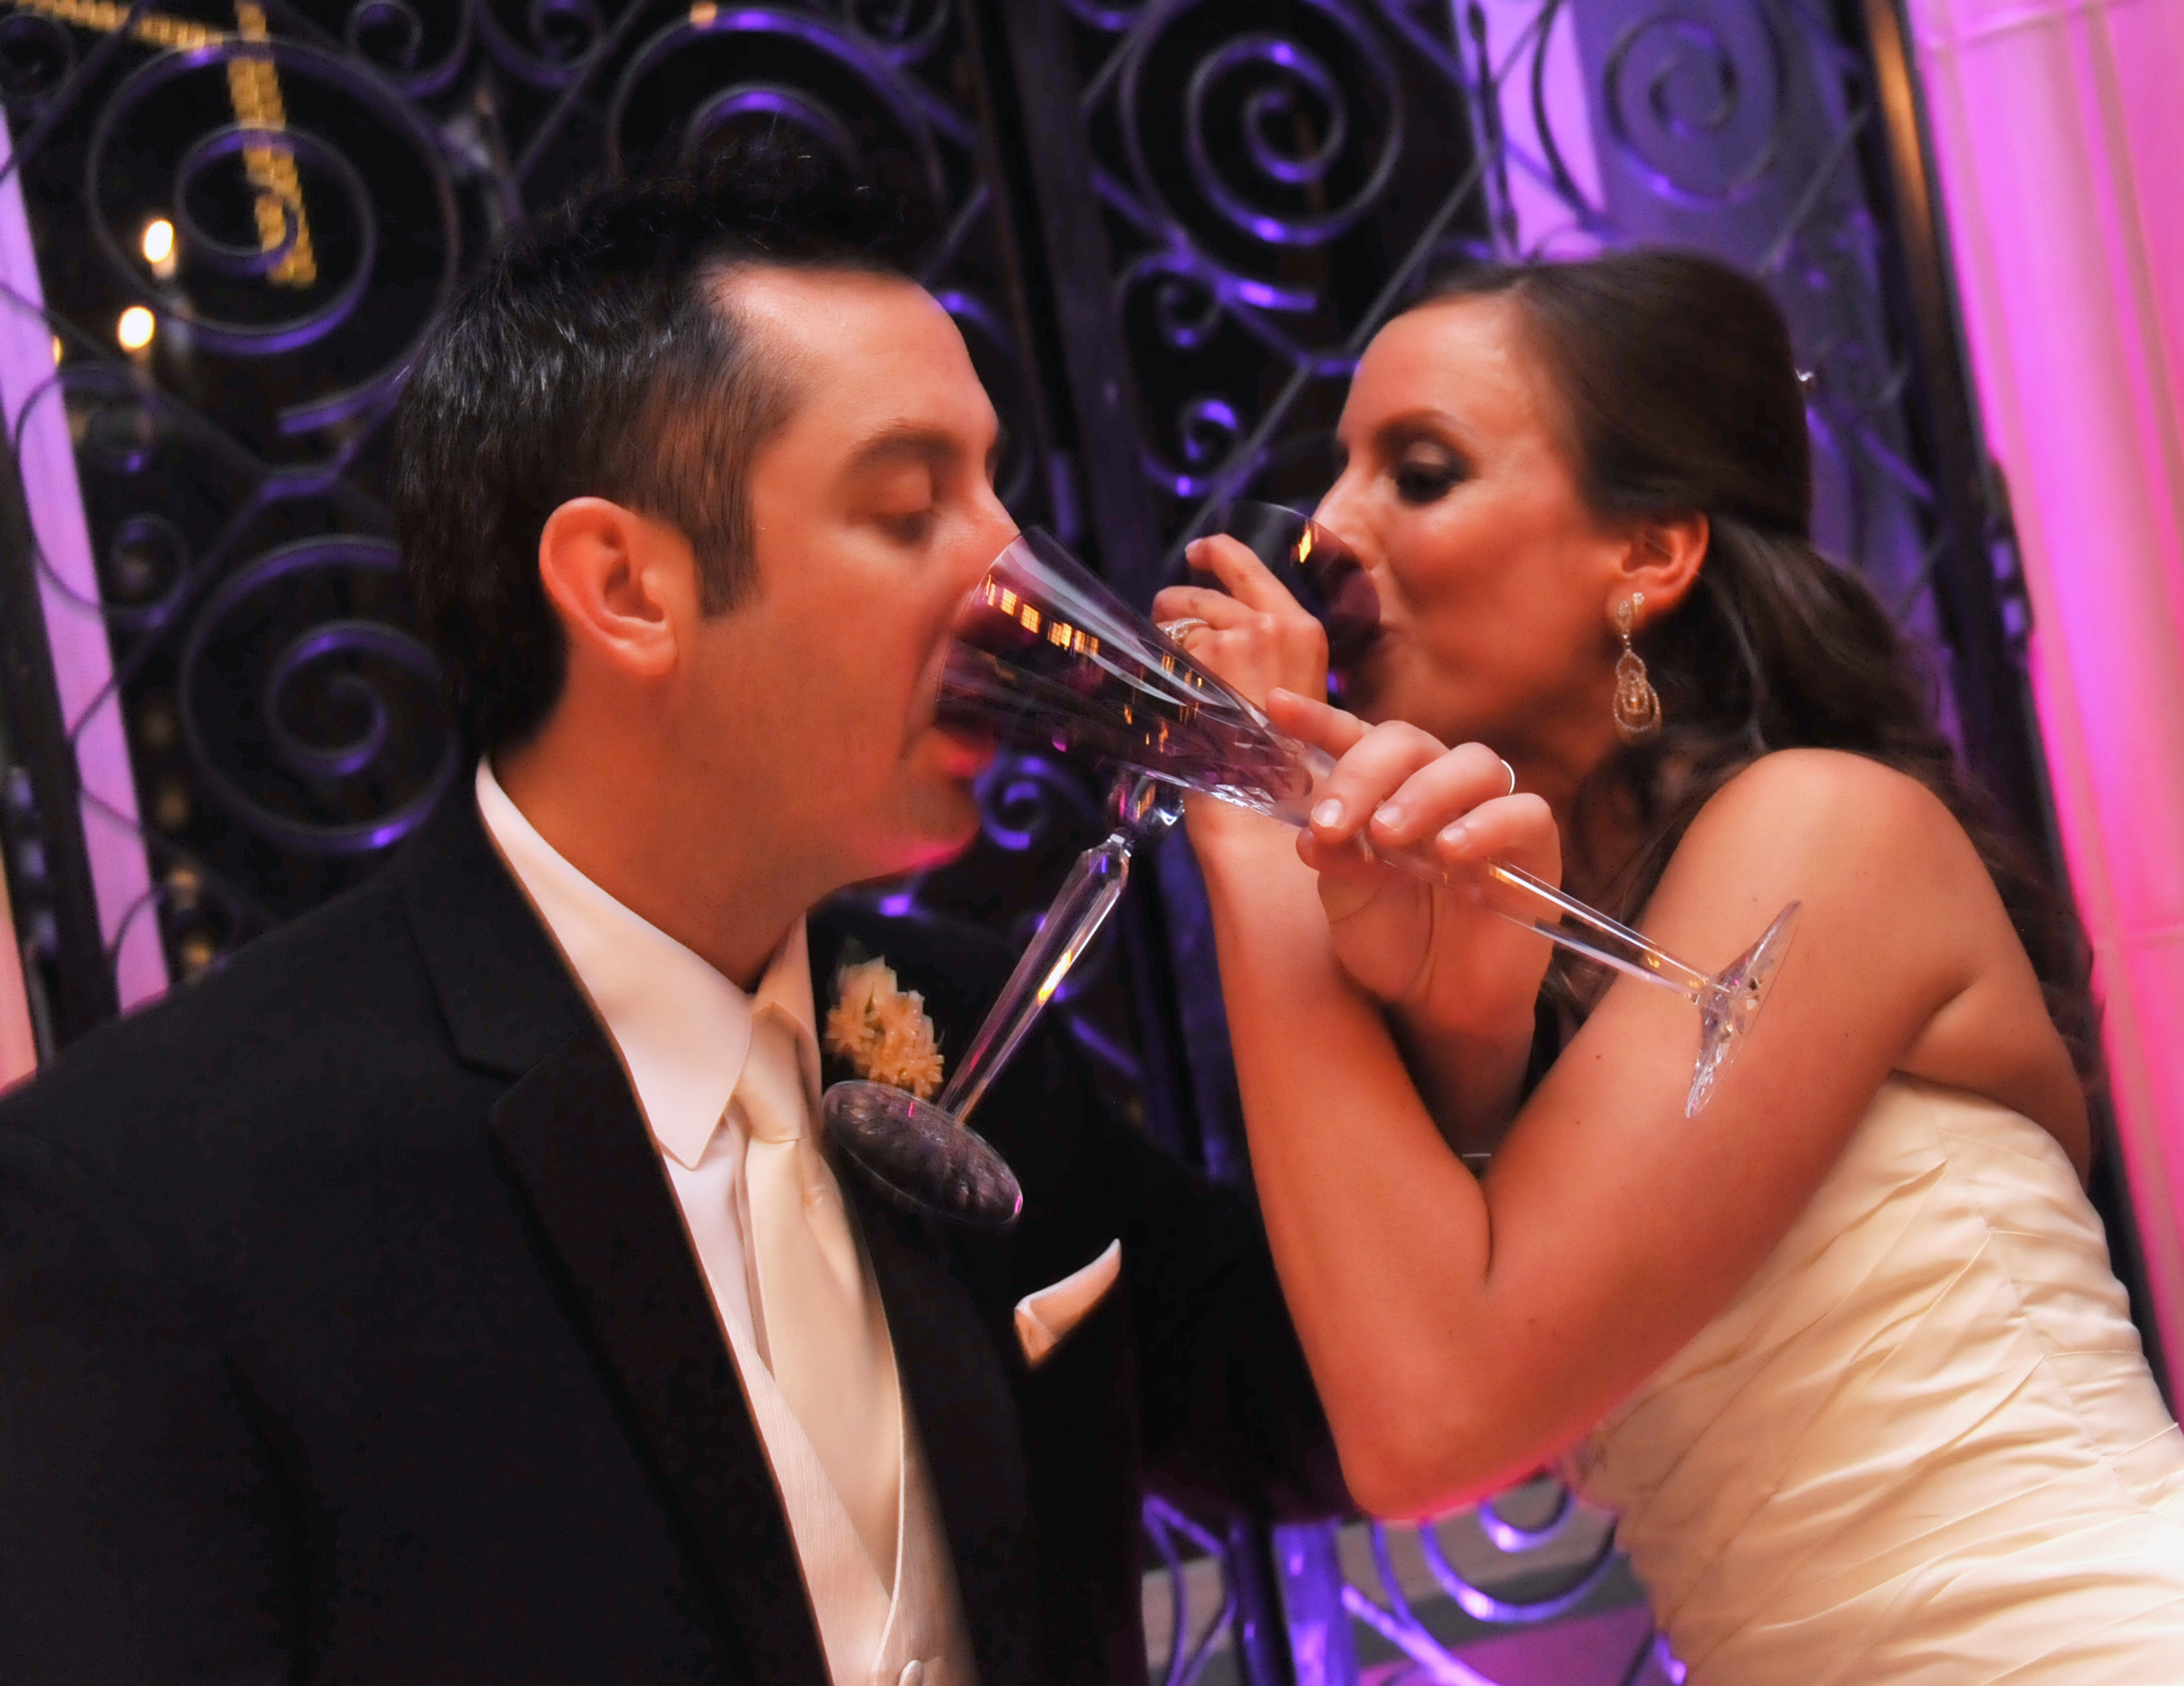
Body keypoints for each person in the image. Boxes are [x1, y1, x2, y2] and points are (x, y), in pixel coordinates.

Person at [0, 146, 1340, 1685]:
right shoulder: (147, 1201)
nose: (1008, 573)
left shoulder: (980, 1036)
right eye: (910, 507)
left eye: (994, 492)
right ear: (625, 585)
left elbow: (1333, 1416)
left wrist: (1363, 929)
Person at [1158, 249, 2184, 1684]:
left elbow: (1430, 1421)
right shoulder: (1519, 970)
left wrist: (1249, 803)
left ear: (1648, 556)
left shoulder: (1826, 835)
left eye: (1419, 474)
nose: (1330, 530)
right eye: (1338, 470)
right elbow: (1408, 1372)